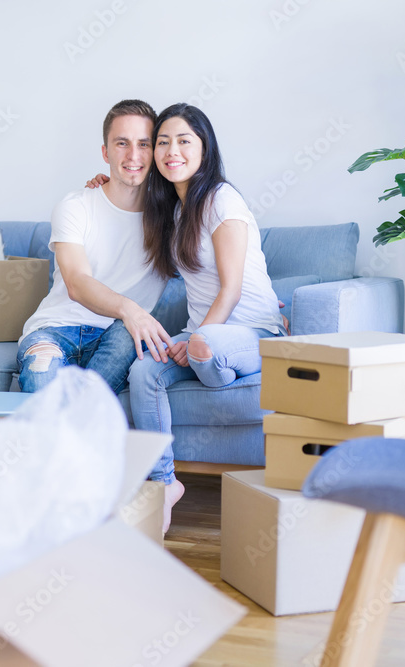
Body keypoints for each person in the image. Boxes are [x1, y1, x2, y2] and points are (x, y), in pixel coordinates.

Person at [128, 103, 285, 532]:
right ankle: (163, 483)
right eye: (162, 142)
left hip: (251, 331)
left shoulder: (222, 199)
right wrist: (101, 182)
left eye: (183, 141)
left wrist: (198, 336)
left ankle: (211, 361)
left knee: (204, 346)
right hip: (205, 334)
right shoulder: (173, 209)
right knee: (143, 370)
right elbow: (124, 191)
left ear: (204, 148)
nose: (171, 151)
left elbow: (231, 289)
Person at [16, 100, 172, 398]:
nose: (133, 155)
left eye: (144, 144)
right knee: (42, 383)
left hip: (120, 335)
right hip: (54, 330)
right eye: (121, 143)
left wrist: (257, 307)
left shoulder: (172, 219)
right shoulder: (76, 206)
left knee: (129, 335)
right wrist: (131, 309)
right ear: (105, 152)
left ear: (156, 151)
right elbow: (77, 282)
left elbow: (212, 258)